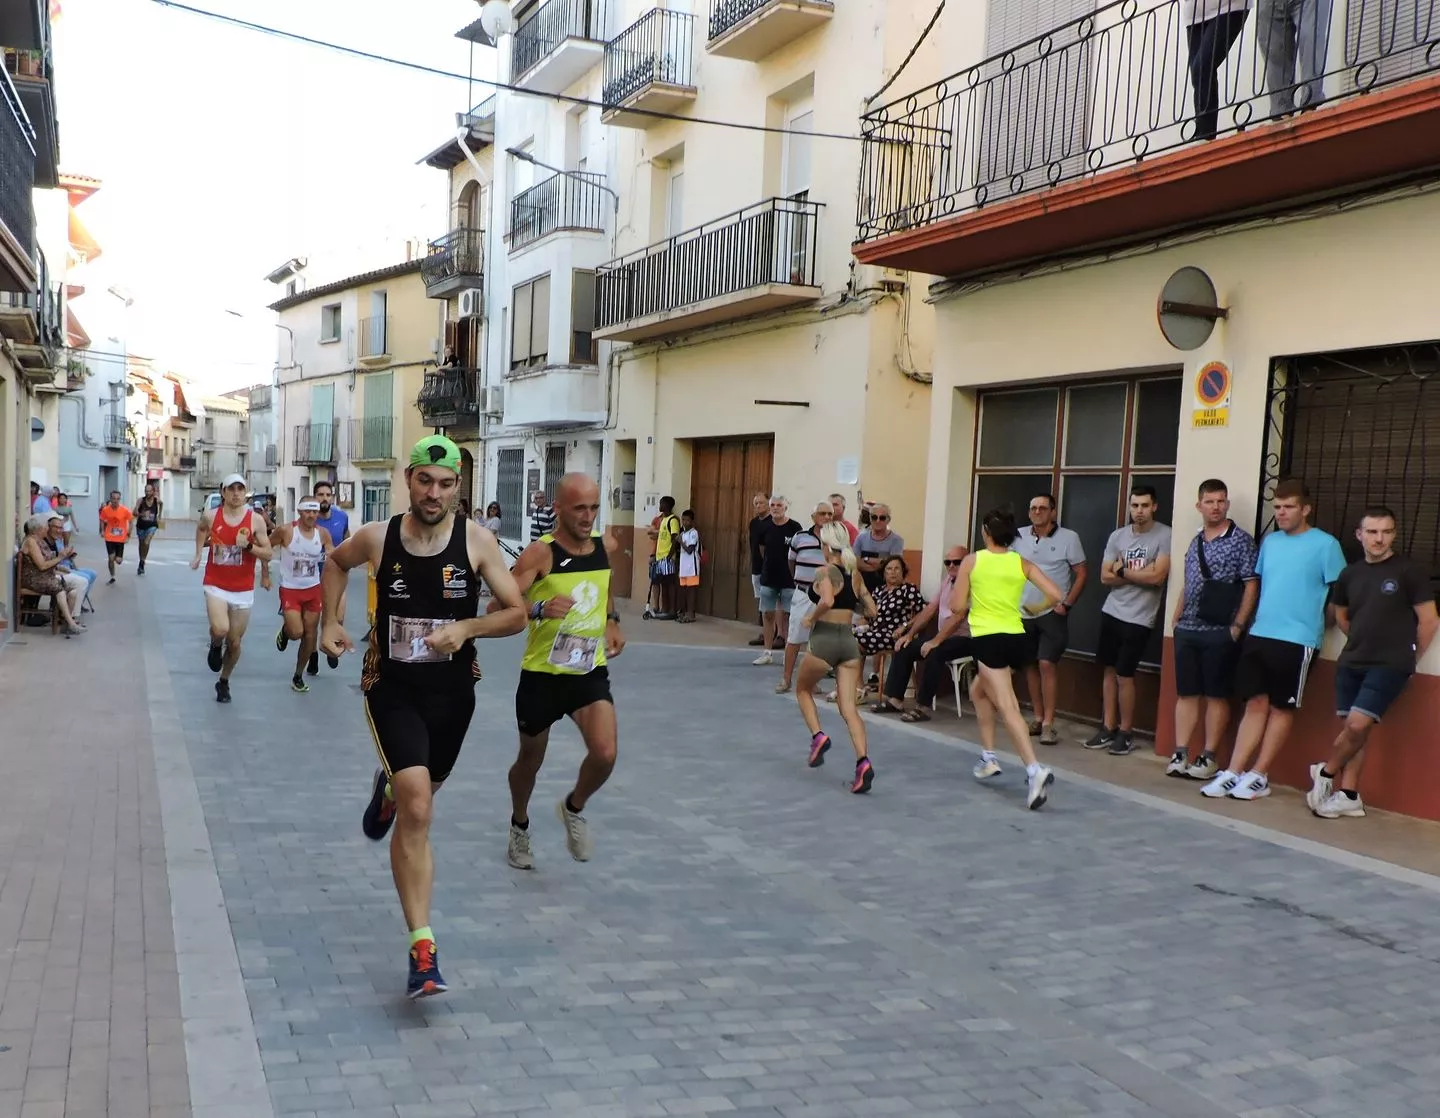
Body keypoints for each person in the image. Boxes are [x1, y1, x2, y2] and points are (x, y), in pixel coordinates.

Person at [320, 436, 526, 999]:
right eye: (424, 481)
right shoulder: (378, 537)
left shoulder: (478, 543)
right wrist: (329, 624)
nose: (434, 493)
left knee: (418, 792)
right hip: (391, 686)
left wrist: (466, 629)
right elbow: (334, 565)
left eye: (446, 483)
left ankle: (388, 788)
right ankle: (422, 947)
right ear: (408, 480)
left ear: (460, 488)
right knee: (419, 805)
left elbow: (516, 613)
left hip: (454, 695)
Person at [501, 472, 625, 872]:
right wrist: (538, 608)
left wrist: (611, 620)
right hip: (542, 674)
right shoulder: (540, 554)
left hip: (588, 669)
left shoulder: (606, 545)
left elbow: (604, 588)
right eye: (579, 509)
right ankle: (519, 823)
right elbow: (497, 608)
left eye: (593, 508)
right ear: (557, 509)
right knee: (529, 762)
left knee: (605, 753)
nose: (588, 516)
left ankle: (573, 808)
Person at [1201, 479, 1345, 801]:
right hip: (1261, 633)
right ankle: (1234, 771)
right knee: (1254, 703)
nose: (1281, 513)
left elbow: (1339, 591)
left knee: (1281, 708)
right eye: (1277, 507)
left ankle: (1259, 774)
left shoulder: (1326, 545)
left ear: (1306, 509)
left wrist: (1327, 621)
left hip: (1298, 639)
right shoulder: (1271, 542)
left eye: (1288, 507)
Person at [1306, 507, 1438, 819]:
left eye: (1386, 532)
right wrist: (1362, 638)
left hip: (1390, 665)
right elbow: (1341, 615)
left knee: (1356, 724)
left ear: (1394, 533)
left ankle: (1325, 772)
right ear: (1360, 535)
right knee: (1355, 734)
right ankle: (1349, 794)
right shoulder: (1350, 574)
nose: (1379, 539)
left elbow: (1429, 621)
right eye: (1372, 532)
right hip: (1352, 661)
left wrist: (1409, 658)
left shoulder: (1409, 571)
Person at [950, 508, 1063, 809]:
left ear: (986, 532)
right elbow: (1055, 594)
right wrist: (1036, 609)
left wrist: (975, 594)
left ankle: (1034, 770)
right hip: (1016, 636)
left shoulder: (972, 561)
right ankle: (989, 757)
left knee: (1008, 706)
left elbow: (956, 604)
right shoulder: (1021, 562)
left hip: (989, 639)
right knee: (978, 690)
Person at [1166, 480, 1258, 780]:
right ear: (1199, 505)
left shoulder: (1241, 541)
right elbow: (1190, 580)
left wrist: (1237, 626)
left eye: (1221, 501)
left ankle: (1208, 757)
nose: (1215, 507)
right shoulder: (1196, 541)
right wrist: (1177, 615)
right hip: (1188, 628)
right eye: (1209, 501)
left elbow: (1251, 584)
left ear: (1227, 504)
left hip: (1220, 630)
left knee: (1217, 695)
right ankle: (1180, 752)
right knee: (1187, 693)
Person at [1088, 485, 1172, 756]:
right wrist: (1139, 573)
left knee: (1126, 674)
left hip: (1140, 618)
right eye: (1135, 506)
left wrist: (1121, 569)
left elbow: (1158, 577)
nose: (1139, 511)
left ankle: (1126, 731)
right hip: (1112, 611)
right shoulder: (1117, 536)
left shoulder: (1165, 535)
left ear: (1154, 506)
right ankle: (1108, 727)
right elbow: (1104, 577)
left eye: (1145, 506)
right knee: (1109, 671)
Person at [796, 521, 879, 794]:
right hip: (848, 641)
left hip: (825, 638)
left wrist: (811, 617)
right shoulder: (854, 573)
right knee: (849, 709)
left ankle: (818, 736)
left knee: (803, 690)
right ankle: (863, 761)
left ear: (825, 545)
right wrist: (852, 602)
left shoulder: (825, 571)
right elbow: (871, 610)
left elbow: (828, 601)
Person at [192, 474, 273, 704]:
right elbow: (200, 529)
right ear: (223, 492)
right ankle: (215, 644)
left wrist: (249, 547)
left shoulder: (255, 520)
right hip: (215, 583)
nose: (236, 493)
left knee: (235, 643)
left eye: (240, 489)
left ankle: (224, 681)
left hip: (242, 588)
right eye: (231, 489)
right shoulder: (211, 515)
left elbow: (268, 553)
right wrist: (199, 553)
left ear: (245, 492)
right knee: (220, 629)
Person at [1013, 494, 1087, 745]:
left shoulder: (1069, 538)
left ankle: (1049, 723)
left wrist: (1067, 604)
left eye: (1042, 508)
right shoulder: (1018, 535)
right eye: (1033, 508)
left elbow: (1081, 573)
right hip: (1023, 613)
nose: (1037, 512)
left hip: (1051, 613)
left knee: (1046, 664)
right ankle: (1037, 716)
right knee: (1029, 665)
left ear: (1053, 512)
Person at [871, 545, 970, 717]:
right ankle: (895, 700)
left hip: (966, 638)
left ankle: (922, 707)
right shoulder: (947, 581)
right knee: (904, 647)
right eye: (948, 563)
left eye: (956, 562)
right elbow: (930, 609)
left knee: (935, 652)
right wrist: (909, 634)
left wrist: (935, 641)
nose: (951, 566)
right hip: (944, 635)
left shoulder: (971, 583)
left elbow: (958, 617)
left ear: (967, 563)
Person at [270, 498, 335, 693]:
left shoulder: (322, 533)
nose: (311, 515)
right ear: (300, 511)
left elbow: (331, 550)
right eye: (308, 511)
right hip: (290, 588)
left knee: (310, 634)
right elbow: (266, 547)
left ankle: (298, 675)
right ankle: (286, 631)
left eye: (315, 512)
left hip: (313, 588)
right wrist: (264, 572)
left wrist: (334, 555)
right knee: (297, 632)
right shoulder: (286, 531)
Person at [778, 500, 831, 693]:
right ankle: (786, 679)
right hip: (804, 594)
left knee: (818, 642)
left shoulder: (836, 538)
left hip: (826, 596)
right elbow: (791, 562)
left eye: (829, 514)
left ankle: (811, 682)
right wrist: (800, 582)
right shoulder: (799, 537)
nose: (826, 517)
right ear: (813, 517)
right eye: (822, 513)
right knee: (794, 637)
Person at [855, 557, 926, 688]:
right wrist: (863, 620)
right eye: (889, 569)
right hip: (874, 631)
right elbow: (870, 613)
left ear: (903, 571)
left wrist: (905, 627)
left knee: (856, 642)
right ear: (884, 573)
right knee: (849, 636)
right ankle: (854, 685)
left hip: (894, 635)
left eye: (897, 568)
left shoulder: (908, 589)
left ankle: (858, 687)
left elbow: (923, 612)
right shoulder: (878, 591)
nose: (893, 572)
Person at [1185, 0, 1250, 141]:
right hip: (1194, 14)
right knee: (1199, 75)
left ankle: (1205, 135)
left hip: (1230, 7)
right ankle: (1205, 135)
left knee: (1201, 66)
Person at [754, 496, 802, 667]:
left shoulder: (795, 528)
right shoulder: (764, 527)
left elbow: (798, 553)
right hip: (768, 578)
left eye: (779, 505)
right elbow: (762, 550)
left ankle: (788, 654)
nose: (775, 508)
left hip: (789, 579)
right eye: (772, 505)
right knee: (767, 614)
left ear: (786, 507)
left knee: (790, 616)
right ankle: (767, 652)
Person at [307, 480, 349, 676]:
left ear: (332, 497)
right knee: (314, 622)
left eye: (328, 495)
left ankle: (332, 646)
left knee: (338, 617)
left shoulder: (342, 516)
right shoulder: (309, 520)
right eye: (320, 495)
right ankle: (313, 654)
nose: (324, 498)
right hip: (313, 577)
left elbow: (348, 539)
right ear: (315, 497)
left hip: (338, 575)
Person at [20, 516, 85, 634]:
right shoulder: (31, 541)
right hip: (33, 579)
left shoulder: (39, 540)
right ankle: (71, 624)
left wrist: (61, 558)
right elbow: (42, 566)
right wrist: (60, 557)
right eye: (45, 526)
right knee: (60, 591)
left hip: (44, 577)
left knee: (73, 592)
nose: (47, 528)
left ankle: (66, 623)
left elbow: (49, 560)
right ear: (37, 529)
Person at [46, 513, 97, 611]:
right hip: (60, 568)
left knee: (92, 573)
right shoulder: (48, 540)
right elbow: (52, 560)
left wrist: (69, 554)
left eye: (61, 527)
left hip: (66, 565)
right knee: (85, 578)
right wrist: (63, 556)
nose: (59, 530)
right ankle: (73, 608)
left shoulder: (59, 538)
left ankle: (79, 602)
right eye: (56, 527)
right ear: (49, 527)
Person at [854, 504, 905, 593]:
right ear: (870, 518)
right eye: (874, 517)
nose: (878, 521)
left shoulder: (896, 540)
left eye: (882, 518)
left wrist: (866, 559)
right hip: (863, 587)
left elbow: (894, 566)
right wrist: (882, 562)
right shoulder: (860, 538)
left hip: (887, 589)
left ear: (888, 520)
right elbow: (856, 564)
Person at [646, 496, 681, 620]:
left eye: (661, 503)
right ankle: (665, 609)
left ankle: (672, 610)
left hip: (667, 557)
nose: (660, 506)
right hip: (660, 557)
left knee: (670, 584)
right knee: (664, 584)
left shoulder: (673, 520)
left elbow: (675, 540)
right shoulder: (664, 520)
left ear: (666, 505)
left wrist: (669, 556)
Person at [747, 493, 771, 647]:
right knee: (761, 601)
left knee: (770, 602)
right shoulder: (754, 523)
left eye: (761, 503)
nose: (758, 506)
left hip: (768, 568)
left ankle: (770, 633)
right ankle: (764, 631)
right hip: (756, 567)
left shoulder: (772, 522)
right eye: (756, 503)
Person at [98, 490, 134, 585]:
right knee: (110, 558)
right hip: (109, 537)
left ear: (119, 499)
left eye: (117, 499)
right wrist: (102, 530)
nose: (115, 500)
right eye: (113, 498)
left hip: (120, 538)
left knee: (118, 561)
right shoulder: (105, 509)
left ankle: (116, 557)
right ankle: (112, 576)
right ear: (110, 499)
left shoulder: (125, 510)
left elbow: (131, 522)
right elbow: (102, 520)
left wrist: (128, 535)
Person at [133, 482, 164, 575]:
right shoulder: (140, 501)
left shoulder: (156, 500)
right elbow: (134, 513)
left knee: (147, 542)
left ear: (153, 492)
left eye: (149, 491)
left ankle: (142, 561)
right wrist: (142, 514)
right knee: (141, 544)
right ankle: (141, 561)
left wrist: (159, 516)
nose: (147, 493)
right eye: (146, 491)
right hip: (141, 526)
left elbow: (161, 504)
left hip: (152, 525)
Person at [677, 508, 701, 623]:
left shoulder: (693, 533)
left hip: (692, 567)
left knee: (691, 590)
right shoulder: (683, 533)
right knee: (684, 590)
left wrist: (681, 541)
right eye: (683, 520)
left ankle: (691, 614)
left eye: (687, 520)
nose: (684, 522)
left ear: (692, 521)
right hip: (683, 566)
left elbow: (690, 550)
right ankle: (684, 612)